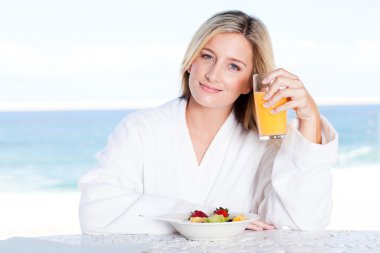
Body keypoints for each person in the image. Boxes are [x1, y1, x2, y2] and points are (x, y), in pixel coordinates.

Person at [78, 10, 338, 234]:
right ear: (191, 60)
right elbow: (96, 212)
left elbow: (303, 223)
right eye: (207, 56)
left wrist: (309, 117)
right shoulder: (140, 129)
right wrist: (209, 218)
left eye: (233, 66)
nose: (213, 75)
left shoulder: (266, 144)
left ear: (250, 82)